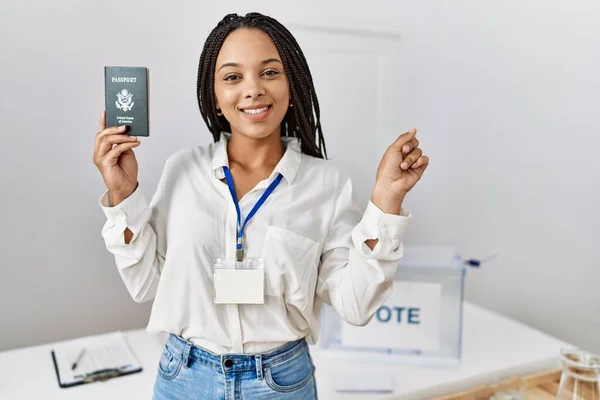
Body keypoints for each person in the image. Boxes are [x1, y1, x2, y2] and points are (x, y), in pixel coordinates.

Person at [92, 12, 428, 400]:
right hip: (184, 379)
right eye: (233, 77)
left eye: (269, 72)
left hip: (281, 382)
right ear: (215, 97)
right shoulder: (182, 170)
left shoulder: (327, 183)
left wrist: (386, 201)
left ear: (291, 86)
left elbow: (355, 306)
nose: (252, 89)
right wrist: (123, 195)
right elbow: (145, 285)